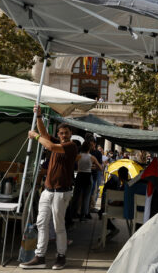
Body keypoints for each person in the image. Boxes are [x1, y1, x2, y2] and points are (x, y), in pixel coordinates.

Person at [19, 106, 78, 270]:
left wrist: (35, 136)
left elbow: (50, 146)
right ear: (58, 134)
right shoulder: (58, 141)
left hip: (61, 192)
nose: (64, 135)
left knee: (59, 226)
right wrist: (38, 117)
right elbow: (46, 136)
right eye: (61, 133)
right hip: (48, 190)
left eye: (66, 132)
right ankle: (40, 256)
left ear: (70, 134)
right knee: (41, 224)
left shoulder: (71, 146)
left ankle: (61, 256)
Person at [73, 140, 100, 221]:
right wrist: (92, 167)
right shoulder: (92, 157)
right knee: (86, 197)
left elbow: (72, 165)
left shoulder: (78, 156)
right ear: (89, 148)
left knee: (76, 195)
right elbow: (100, 168)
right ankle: (83, 215)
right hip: (88, 176)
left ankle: (73, 213)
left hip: (80, 175)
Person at [101, 166, 130, 240]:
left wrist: (108, 205)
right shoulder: (130, 184)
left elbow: (117, 202)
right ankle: (112, 229)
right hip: (129, 209)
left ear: (119, 175)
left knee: (102, 211)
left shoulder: (124, 186)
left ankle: (113, 229)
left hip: (120, 210)